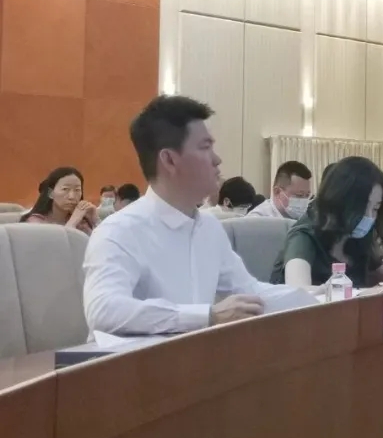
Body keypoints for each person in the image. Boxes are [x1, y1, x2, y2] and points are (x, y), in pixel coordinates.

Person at [82, 95, 316, 336]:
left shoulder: (209, 228)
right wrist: (207, 316)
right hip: (135, 359)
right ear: (169, 160)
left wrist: (321, 297)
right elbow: (104, 310)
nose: (217, 159)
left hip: (195, 354)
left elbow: (250, 292)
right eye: (205, 147)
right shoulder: (119, 231)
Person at [271, 156, 383, 289]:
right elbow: (298, 291)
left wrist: (381, 289)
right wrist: (364, 294)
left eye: (375, 208)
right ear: (340, 201)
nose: (369, 217)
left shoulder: (360, 237)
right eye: (362, 207)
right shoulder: (303, 237)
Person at [20, 167, 96, 234]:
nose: (72, 196)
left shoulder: (81, 222)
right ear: (50, 193)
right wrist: (73, 221)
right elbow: (57, 244)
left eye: (77, 190)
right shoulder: (35, 222)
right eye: (65, 189)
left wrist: (94, 221)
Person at [248, 161, 313, 219]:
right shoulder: (257, 219)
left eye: (307, 195)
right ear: (277, 192)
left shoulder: (307, 218)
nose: (304, 201)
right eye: (299, 195)